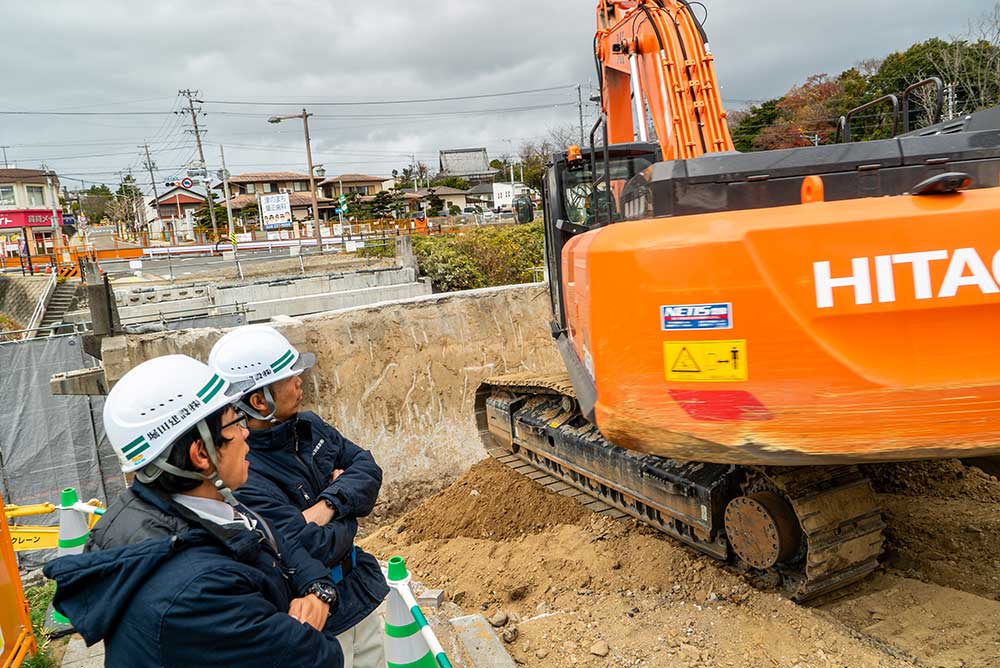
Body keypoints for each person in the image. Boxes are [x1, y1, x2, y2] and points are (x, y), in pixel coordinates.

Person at [43, 355, 344, 668]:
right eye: (235, 422)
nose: (246, 433)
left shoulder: (171, 506)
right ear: (202, 454)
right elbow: (316, 657)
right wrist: (306, 625)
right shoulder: (197, 593)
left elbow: (276, 541)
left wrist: (318, 589)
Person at [209, 325, 389, 668]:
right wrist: (350, 510)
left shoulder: (309, 427)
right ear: (260, 401)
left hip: (357, 596)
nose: (300, 382)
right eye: (289, 377)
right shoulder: (245, 472)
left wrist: (327, 506)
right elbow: (308, 547)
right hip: (316, 623)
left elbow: (367, 468)